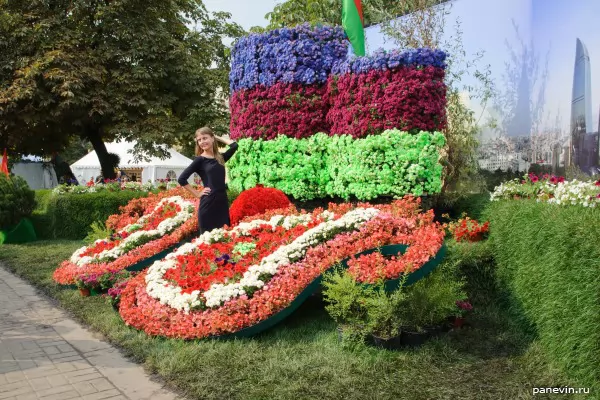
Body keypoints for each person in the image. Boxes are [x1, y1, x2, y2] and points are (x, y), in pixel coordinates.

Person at [178, 127, 238, 235]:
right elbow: (182, 179)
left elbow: (234, 146)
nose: (202, 142)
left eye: (205, 138)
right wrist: (197, 193)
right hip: (208, 204)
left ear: (212, 138)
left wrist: (217, 137)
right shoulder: (200, 160)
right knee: (207, 240)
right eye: (199, 140)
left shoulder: (220, 157)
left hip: (222, 203)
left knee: (224, 236)